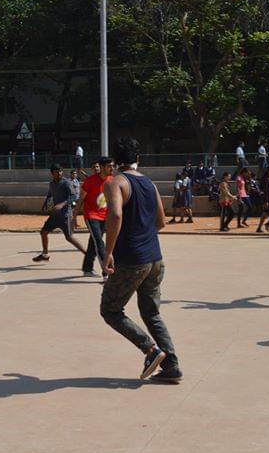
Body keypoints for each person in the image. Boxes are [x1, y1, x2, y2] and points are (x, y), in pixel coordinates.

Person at [101, 136, 181, 382]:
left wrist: (108, 252)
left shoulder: (116, 183)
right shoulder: (149, 183)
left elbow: (114, 215)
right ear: (138, 159)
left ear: (115, 160)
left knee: (111, 310)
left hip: (131, 259)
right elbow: (161, 222)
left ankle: (151, 350)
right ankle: (171, 366)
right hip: (155, 258)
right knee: (152, 312)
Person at [33, 164, 88, 262]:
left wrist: (62, 204)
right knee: (43, 232)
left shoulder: (66, 183)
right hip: (55, 215)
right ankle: (45, 254)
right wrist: (45, 203)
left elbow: (74, 197)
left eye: (60, 171)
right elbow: (50, 194)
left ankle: (87, 255)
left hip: (65, 215)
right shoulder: (52, 184)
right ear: (52, 173)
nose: (59, 173)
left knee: (69, 237)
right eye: (56, 172)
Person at [79, 156, 114, 279]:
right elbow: (81, 198)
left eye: (113, 165)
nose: (112, 168)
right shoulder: (90, 181)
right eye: (109, 166)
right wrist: (74, 215)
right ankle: (107, 272)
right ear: (103, 167)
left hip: (105, 215)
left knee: (93, 242)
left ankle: (87, 268)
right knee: (99, 242)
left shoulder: (112, 180)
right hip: (91, 215)